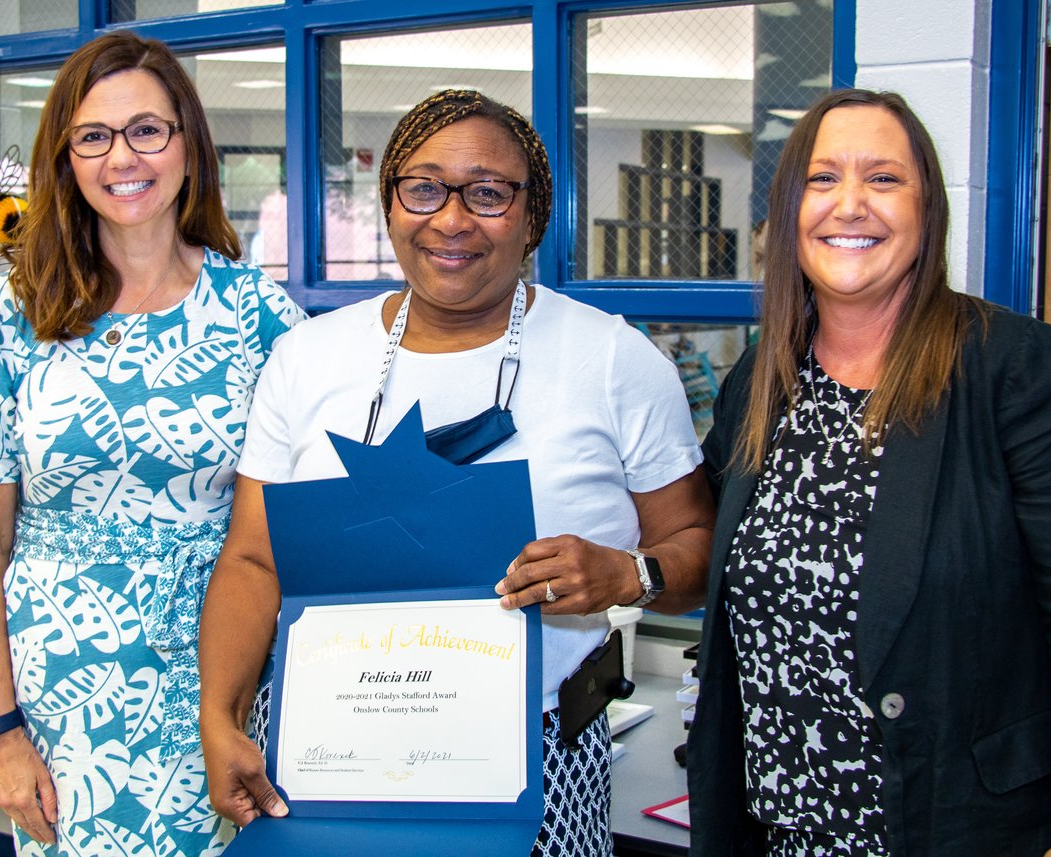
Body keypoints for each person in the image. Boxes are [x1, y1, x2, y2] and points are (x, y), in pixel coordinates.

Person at [198, 89, 714, 856]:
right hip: (323, 751)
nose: (451, 218)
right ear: (391, 201)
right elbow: (249, 558)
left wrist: (626, 574)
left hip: (537, 762)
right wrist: (219, 718)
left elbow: (697, 546)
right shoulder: (307, 358)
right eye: (424, 187)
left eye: (488, 193)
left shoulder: (613, 358)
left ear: (532, 215)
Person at [685, 88, 1051, 857]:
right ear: (788, 212)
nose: (850, 205)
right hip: (784, 833)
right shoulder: (761, 381)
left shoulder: (1012, 368)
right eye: (822, 180)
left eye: (883, 179)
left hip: (960, 827)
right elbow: (719, 560)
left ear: (927, 211)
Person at [0, 31, 305, 856]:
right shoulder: (9, 314)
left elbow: (304, 514)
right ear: (64, 157)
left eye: (146, 130)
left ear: (187, 144)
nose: (121, 157)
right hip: (68, 695)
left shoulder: (255, 313)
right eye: (93, 136)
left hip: (226, 674)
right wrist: (0, 728)